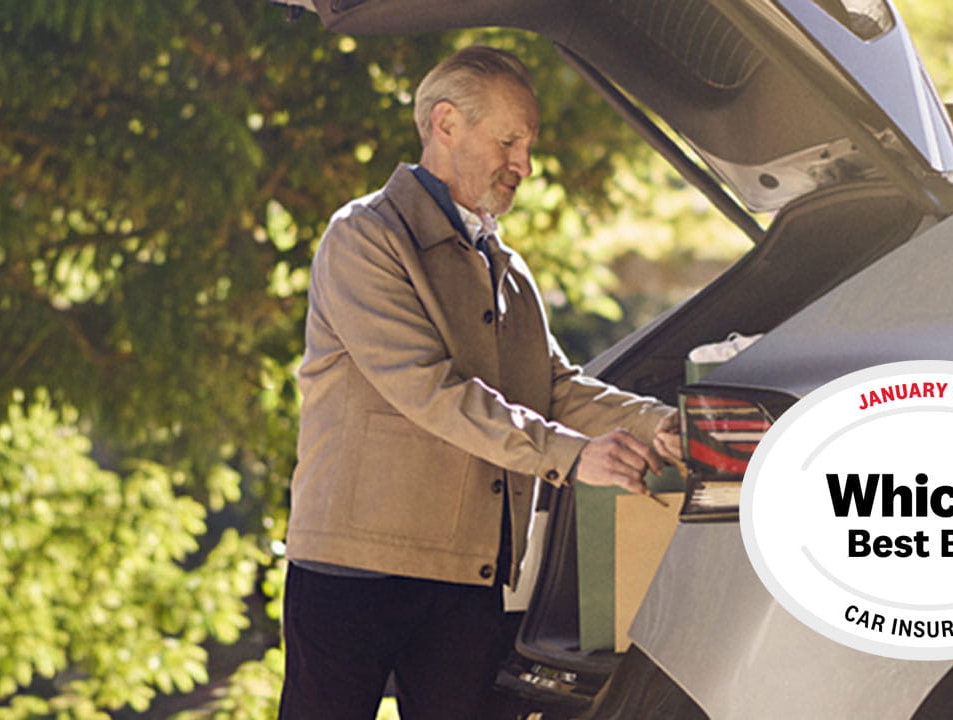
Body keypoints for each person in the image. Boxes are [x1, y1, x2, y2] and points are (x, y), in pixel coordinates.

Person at [278, 46, 681, 720]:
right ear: (445, 124)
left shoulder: (508, 268)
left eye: (527, 144)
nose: (522, 164)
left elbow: (551, 386)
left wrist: (656, 424)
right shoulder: (365, 238)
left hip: (469, 576)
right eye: (509, 140)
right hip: (356, 569)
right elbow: (426, 388)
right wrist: (573, 457)